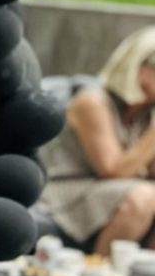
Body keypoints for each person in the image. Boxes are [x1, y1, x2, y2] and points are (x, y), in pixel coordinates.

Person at [40, 25, 155, 253]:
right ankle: (102, 270)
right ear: (142, 71)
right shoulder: (92, 102)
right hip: (70, 191)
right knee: (143, 197)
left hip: (110, 191)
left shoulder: (146, 114)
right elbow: (113, 170)